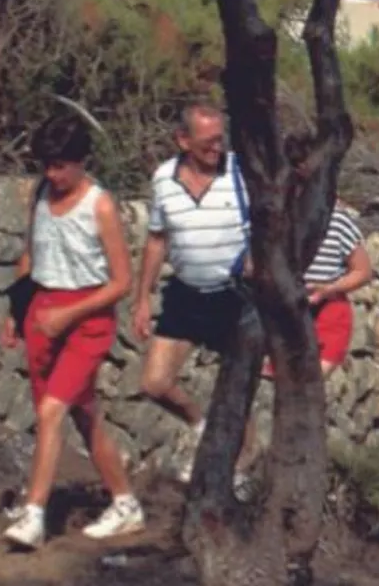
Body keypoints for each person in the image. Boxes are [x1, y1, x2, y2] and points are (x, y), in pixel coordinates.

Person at [0, 114, 141, 548]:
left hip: (87, 319)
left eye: (61, 165)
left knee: (50, 413)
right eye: (46, 164)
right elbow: (33, 251)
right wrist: (15, 309)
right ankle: (125, 502)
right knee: (79, 414)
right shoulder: (41, 194)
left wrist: (69, 315)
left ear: (81, 162)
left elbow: (121, 282)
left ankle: (34, 514)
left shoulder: (99, 205)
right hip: (42, 310)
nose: (52, 174)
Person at [132, 105, 254, 483]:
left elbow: (269, 222)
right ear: (183, 141)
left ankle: (244, 464)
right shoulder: (164, 179)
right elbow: (157, 239)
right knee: (154, 383)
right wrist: (142, 297)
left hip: (233, 296)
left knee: (235, 391)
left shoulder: (241, 173)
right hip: (186, 295)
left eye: (221, 139)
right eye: (207, 142)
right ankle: (198, 422)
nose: (217, 148)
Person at [239, 205, 372, 479]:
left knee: (304, 388)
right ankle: (255, 467)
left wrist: (329, 288)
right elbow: (249, 266)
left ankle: (296, 472)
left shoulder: (337, 220)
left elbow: (362, 271)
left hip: (327, 317)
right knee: (260, 395)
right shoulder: (272, 216)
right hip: (281, 318)